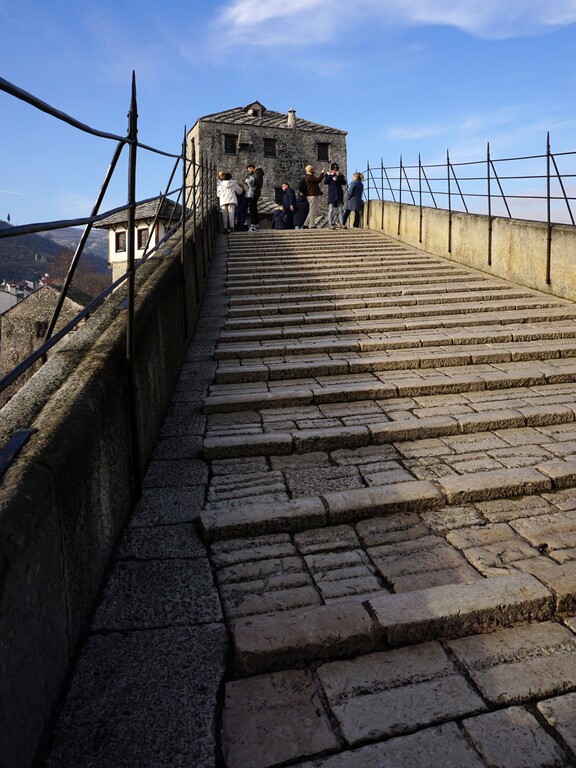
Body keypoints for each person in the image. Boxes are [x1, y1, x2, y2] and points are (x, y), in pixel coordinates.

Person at [301, 164, 326, 229]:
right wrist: (322, 173)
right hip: (312, 195)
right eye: (312, 169)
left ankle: (305, 224)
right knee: (312, 210)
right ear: (310, 170)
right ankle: (312, 225)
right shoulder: (309, 177)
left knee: (311, 210)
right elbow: (318, 180)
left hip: (311, 195)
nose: (313, 170)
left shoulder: (309, 177)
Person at [324, 163, 347, 228]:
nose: (335, 169)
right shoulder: (328, 174)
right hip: (332, 195)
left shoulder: (340, 175)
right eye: (334, 168)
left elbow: (344, 182)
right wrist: (331, 175)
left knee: (340, 209)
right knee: (331, 209)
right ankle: (330, 224)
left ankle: (342, 223)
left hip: (339, 194)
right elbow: (325, 182)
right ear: (331, 168)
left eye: (336, 168)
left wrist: (339, 176)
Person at [245, 163, 264, 231]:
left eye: (249, 170)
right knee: (253, 209)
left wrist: (249, 182)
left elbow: (256, 183)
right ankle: (255, 224)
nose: (248, 172)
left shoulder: (257, 173)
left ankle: (254, 224)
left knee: (253, 209)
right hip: (253, 193)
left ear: (252, 168)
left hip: (254, 193)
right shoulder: (256, 173)